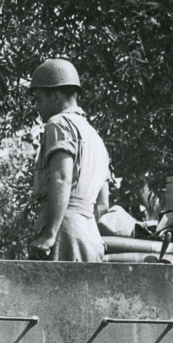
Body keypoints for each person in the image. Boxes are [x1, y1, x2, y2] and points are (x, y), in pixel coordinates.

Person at [26, 58, 112, 261]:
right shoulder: (95, 137)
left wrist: (50, 234)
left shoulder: (58, 124)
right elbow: (103, 204)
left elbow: (61, 178)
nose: (36, 108)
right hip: (90, 237)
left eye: (38, 100)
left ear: (56, 97)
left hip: (63, 234)